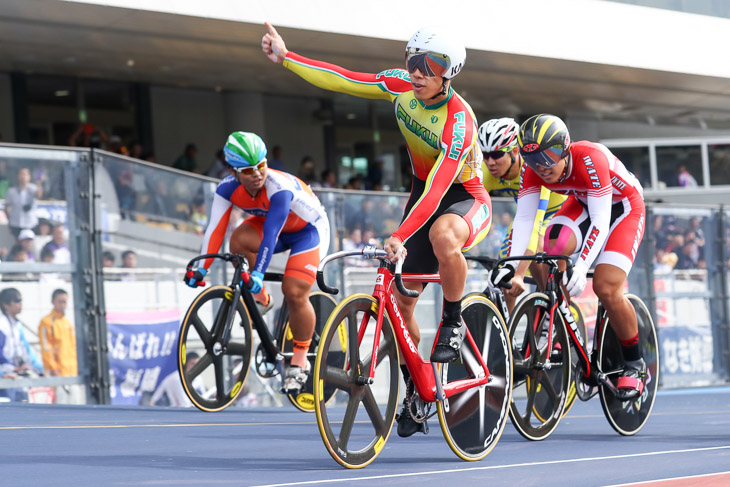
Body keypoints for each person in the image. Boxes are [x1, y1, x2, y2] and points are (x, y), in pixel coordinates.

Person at [262, 22, 491, 437]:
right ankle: (419, 390)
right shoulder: (400, 84)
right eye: (412, 60)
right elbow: (344, 78)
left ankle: (454, 318)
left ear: (449, 71)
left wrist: (401, 234)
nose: (418, 72)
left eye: (430, 64)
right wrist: (287, 57)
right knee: (402, 304)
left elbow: (441, 186)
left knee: (442, 236)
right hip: (423, 193)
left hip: (464, 195)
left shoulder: (459, 121)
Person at [490, 114, 647, 401]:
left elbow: (600, 221)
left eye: (549, 156)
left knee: (605, 286)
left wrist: (584, 264)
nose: (542, 166)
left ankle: (635, 364)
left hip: (623, 209)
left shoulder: (591, 157)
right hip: (585, 203)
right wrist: (513, 268)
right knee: (549, 249)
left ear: (565, 148)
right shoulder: (533, 168)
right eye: (533, 158)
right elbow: (524, 220)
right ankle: (558, 318)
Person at [184, 131, 330, 395]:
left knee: (294, 291)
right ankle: (262, 300)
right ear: (234, 172)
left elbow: (272, 235)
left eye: (261, 165)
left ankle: (299, 359)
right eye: (249, 170)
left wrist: (259, 273)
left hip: (308, 231)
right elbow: (215, 229)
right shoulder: (227, 188)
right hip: (274, 228)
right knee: (237, 241)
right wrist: (201, 269)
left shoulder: (279, 187)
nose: (257, 173)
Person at [477, 117, 567, 312]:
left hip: (556, 211)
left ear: (515, 151)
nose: (490, 162)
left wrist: (520, 272)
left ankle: (555, 307)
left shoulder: (533, 167)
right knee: (505, 274)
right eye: (485, 155)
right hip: (527, 216)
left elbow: (535, 228)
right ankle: (507, 336)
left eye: (497, 154)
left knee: (537, 246)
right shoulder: (486, 172)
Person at [0, 288, 43, 402]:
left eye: (21, 300)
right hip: (5, 378)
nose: (20, 304)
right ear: (6, 305)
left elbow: (26, 350)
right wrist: (2, 373)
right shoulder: (2, 325)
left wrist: (39, 369)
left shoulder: (17, 325)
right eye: (16, 300)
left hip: (16, 375)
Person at [38, 289, 78, 403]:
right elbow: (46, 347)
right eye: (60, 302)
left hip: (71, 372)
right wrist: (52, 367)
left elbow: (73, 347)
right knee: (60, 407)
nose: (63, 305)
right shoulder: (47, 322)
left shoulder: (67, 323)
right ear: (53, 302)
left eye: (65, 302)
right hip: (57, 372)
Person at [4, 167, 42, 238]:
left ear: (29, 177)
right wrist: (10, 221)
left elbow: (39, 196)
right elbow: (6, 208)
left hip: (31, 223)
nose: (23, 177)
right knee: (19, 245)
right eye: (21, 174)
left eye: (25, 174)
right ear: (17, 176)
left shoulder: (33, 188)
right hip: (16, 223)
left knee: (30, 244)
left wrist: (39, 183)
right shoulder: (11, 191)